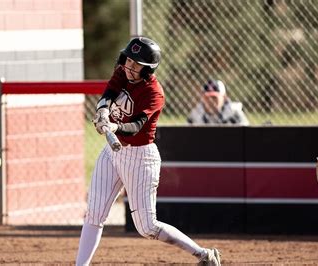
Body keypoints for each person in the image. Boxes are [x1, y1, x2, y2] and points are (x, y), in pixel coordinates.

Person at [76, 37, 221, 266]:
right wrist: (103, 112)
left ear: (148, 69)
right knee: (94, 214)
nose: (130, 67)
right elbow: (109, 93)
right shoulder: (122, 71)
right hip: (112, 152)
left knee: (147, 227)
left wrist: (114, 126)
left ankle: (203, 254)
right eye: (129, 60)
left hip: (140, 157)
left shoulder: (154, 93)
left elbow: (136, 126)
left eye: (137, 64)